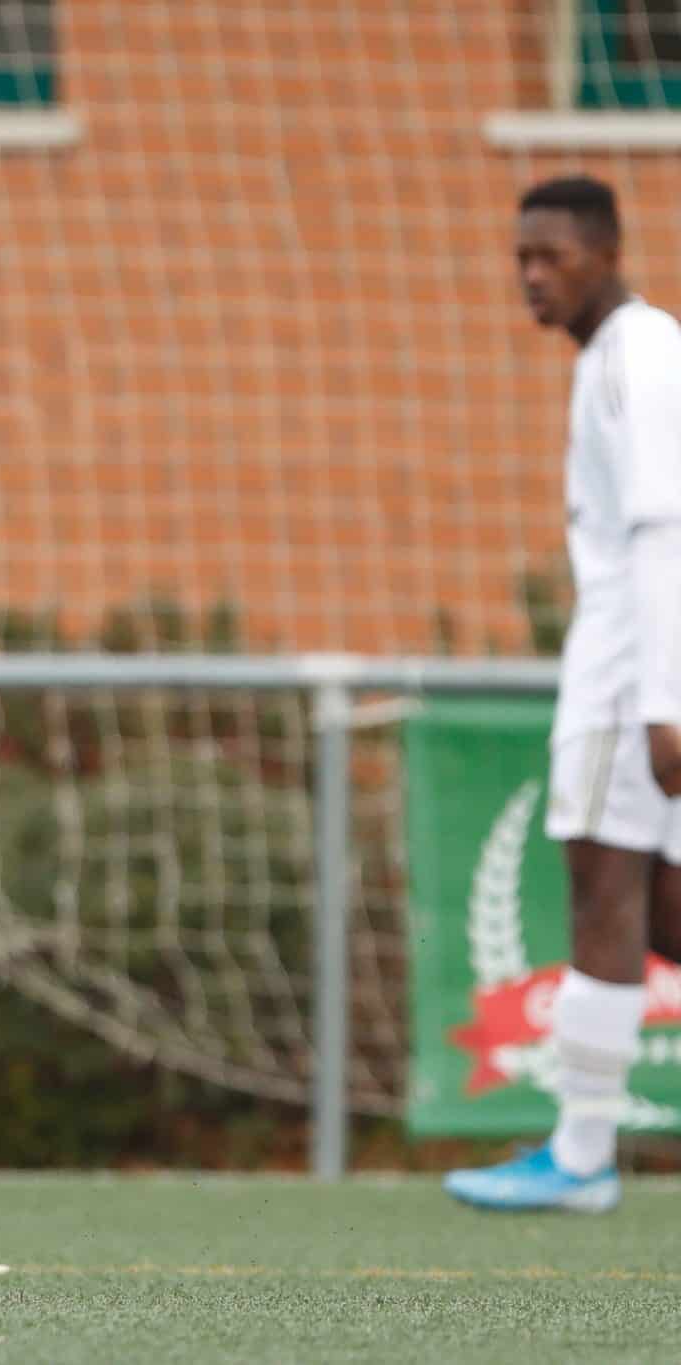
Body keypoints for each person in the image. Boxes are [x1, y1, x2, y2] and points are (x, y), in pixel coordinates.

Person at [446, 177, 681, 1213]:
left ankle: (581, 1155)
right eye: (521, 259)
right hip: (639, 665)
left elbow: (662, 530)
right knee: (661, 910)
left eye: (553, 256)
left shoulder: (635, 355)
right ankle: (581, 1151)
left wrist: (662, 700)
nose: (533, 276)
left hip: (631, 674)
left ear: (608, 253)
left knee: (603, 889)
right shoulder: (620, 356)